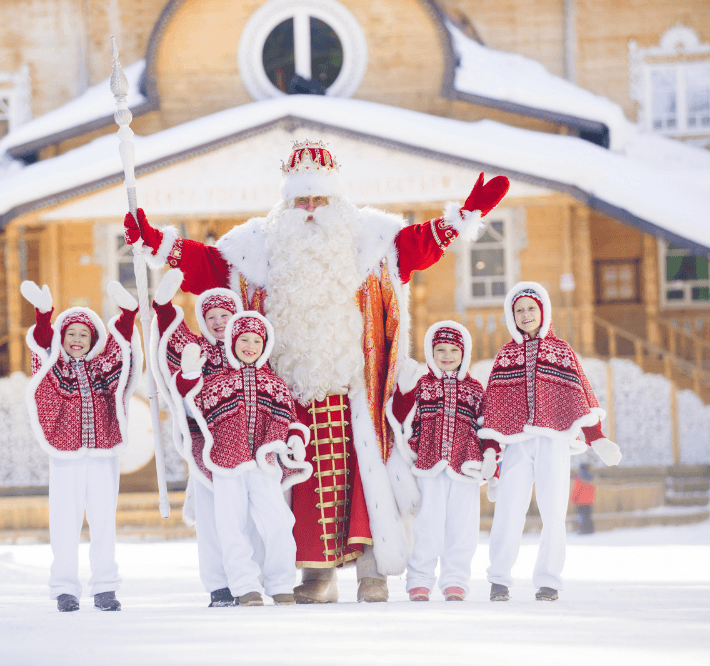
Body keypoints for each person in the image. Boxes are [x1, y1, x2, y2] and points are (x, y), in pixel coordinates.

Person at [124, 139, 510, 602]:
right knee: (301, 486)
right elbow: (205, 265)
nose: (309, 210)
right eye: (301, 200)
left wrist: (464, 214)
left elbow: (419, 244)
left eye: (318, 199)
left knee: (367, 482)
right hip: (286, 391)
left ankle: (372, 572)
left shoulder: (371, 240)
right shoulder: (255, 246)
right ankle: (315, 576)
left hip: (357, 388)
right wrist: (155, 243)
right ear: (286, 201)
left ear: (336, 198)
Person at [478, 281, 622, 603]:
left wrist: (596, 437)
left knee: (554, 510)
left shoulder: (561, 351)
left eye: (531, 308)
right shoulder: (506, 356)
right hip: (517, 444)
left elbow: (579, 396)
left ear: (543, 311)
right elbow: (495, 408)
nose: (526, 314)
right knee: (508, 510)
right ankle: (499, 579)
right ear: (511, 316)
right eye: (519, 310)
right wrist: (492, 452)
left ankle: (549, 581)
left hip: (553, 441)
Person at [172, 311, 312, 606]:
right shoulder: (218, 382)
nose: (250, 345)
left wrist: (296, 439)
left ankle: (281, 583)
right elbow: (192, 401)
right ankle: (245, 586)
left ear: (265, 345)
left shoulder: (274, 384)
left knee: (277, 521)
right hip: (227, 462)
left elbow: (290, 418)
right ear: (233, 342)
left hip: (264, 463)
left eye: (256, 341)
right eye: (243, 339)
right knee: (231, 524)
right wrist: (187, 375)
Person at [20, 279, 141, 612]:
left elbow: (124, 352)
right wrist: (44, 318)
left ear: (93, 339)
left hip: (102, 454)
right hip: (66, 455)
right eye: (70, 334)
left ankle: (104, 586)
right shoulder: (52, 366)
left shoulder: (104, 366)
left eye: (83, 335)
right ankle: (64, 587)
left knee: (103, 520)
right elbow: (41, 347)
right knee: (64, 521)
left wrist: (128, 315)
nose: (76, 340)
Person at [150, 269, 245, 607]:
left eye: (225, 315)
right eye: (211, 316)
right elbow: (171, 341)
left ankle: (247, 580)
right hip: (207, 445)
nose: (219, 321)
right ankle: (218, 585)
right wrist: (163, 309)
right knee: (210, 518)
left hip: (248, 447)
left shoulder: (251, 346)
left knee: (246, 517)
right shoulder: (198, 349)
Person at [386, 321, 494, 602]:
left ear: (464, 352)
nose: (447, 356)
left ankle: (455, 580)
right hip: (430, 463)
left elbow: (486, 425)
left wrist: (491, 457)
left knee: (462, 526)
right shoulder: (422, 386)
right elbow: (402, 417)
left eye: (453, 350)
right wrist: (403, 389)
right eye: (440, 350)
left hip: (466, 465)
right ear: (430, 352)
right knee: (427, 524)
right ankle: (420, 578)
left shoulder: (474, 389)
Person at [571, 463, 596, 535]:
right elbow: (592, 490)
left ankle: (582, 530)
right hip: (589, 501)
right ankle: (590, 530)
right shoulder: (591, 477)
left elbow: (576, 489)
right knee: (588, 516)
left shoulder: (578, 478)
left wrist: (573, 499)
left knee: (581, 516)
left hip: (580, 501)